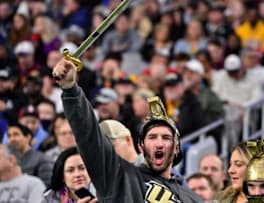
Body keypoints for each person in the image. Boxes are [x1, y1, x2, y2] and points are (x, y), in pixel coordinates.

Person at [52, 57, 203, 202]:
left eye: (166, 138)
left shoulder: (192, 198)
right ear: (141, 146)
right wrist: (71, 90)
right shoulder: (119, 176)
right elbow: (89, 135)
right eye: (152, 137)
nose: (159, 143)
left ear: (176, 147)